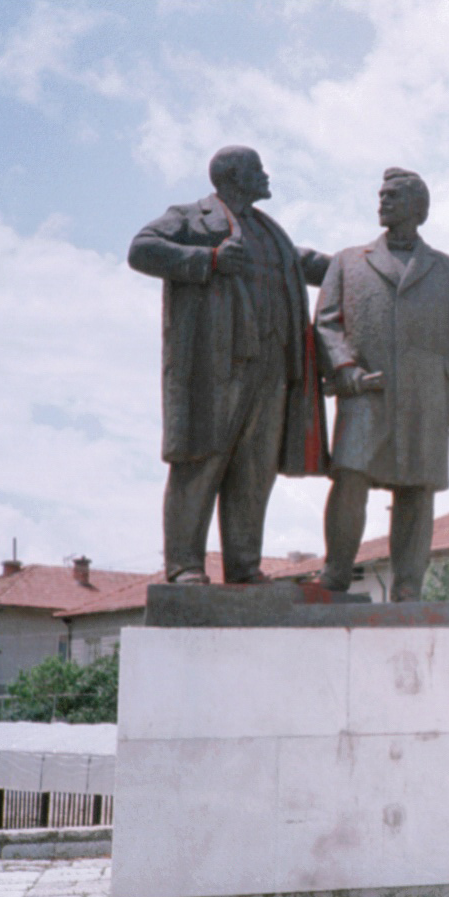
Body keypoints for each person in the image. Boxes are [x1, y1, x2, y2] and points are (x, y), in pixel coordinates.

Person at [128, 146, 330, 584]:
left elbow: (308, 263)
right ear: (235, 176)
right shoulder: (190, 217)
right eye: (258, 169)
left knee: (255, 470)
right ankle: (184, 565)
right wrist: (208, 260)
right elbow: (142, 249)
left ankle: (244, 566)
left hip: (274, 367)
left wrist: (358, 267)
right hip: (215, 367)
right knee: (200, 463)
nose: (266, 174)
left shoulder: (269, 232)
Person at [314, 168, 449, 600]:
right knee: (349, 476)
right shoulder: (349, 260)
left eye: (393, 196)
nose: (382, 202)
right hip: (368, 388)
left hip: (428, 395)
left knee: (417, 490)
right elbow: (326, 324)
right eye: (380, 195)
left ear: (418, 209)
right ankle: (336, 573)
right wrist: (343, 367)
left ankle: (408, 587)